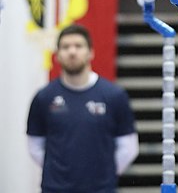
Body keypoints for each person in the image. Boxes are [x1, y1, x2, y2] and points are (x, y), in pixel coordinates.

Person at [27, 24, 139, 193]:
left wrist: (101, 174)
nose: (72, 52)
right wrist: (61, 171)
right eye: (65, 47)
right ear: (57, 55)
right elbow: (34, 146)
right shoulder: (44, 97)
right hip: (56, 188)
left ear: (90, 52)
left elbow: (129, 147)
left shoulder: (114, 96)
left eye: (78, 46)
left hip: (100, 188)